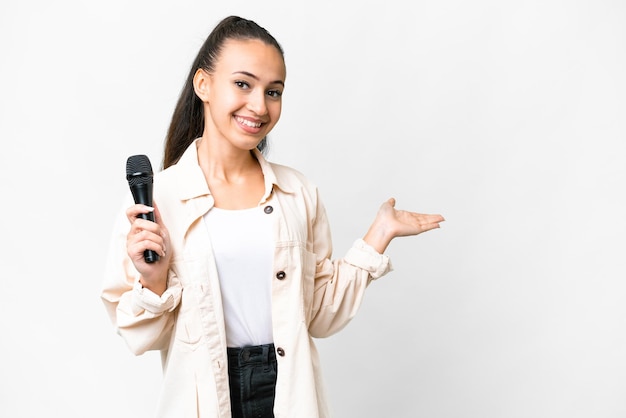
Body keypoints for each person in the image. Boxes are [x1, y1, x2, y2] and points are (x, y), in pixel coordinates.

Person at [101, 15, 444, 418]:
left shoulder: (296, 193)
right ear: (204, 85)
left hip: (287, 390)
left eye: (274, 91)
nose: (260, 106)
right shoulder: (159, 200)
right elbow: (140, 336)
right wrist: (154, 281)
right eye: (243, 84)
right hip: (205, 396)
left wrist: (377, 237)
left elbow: (318, 315)